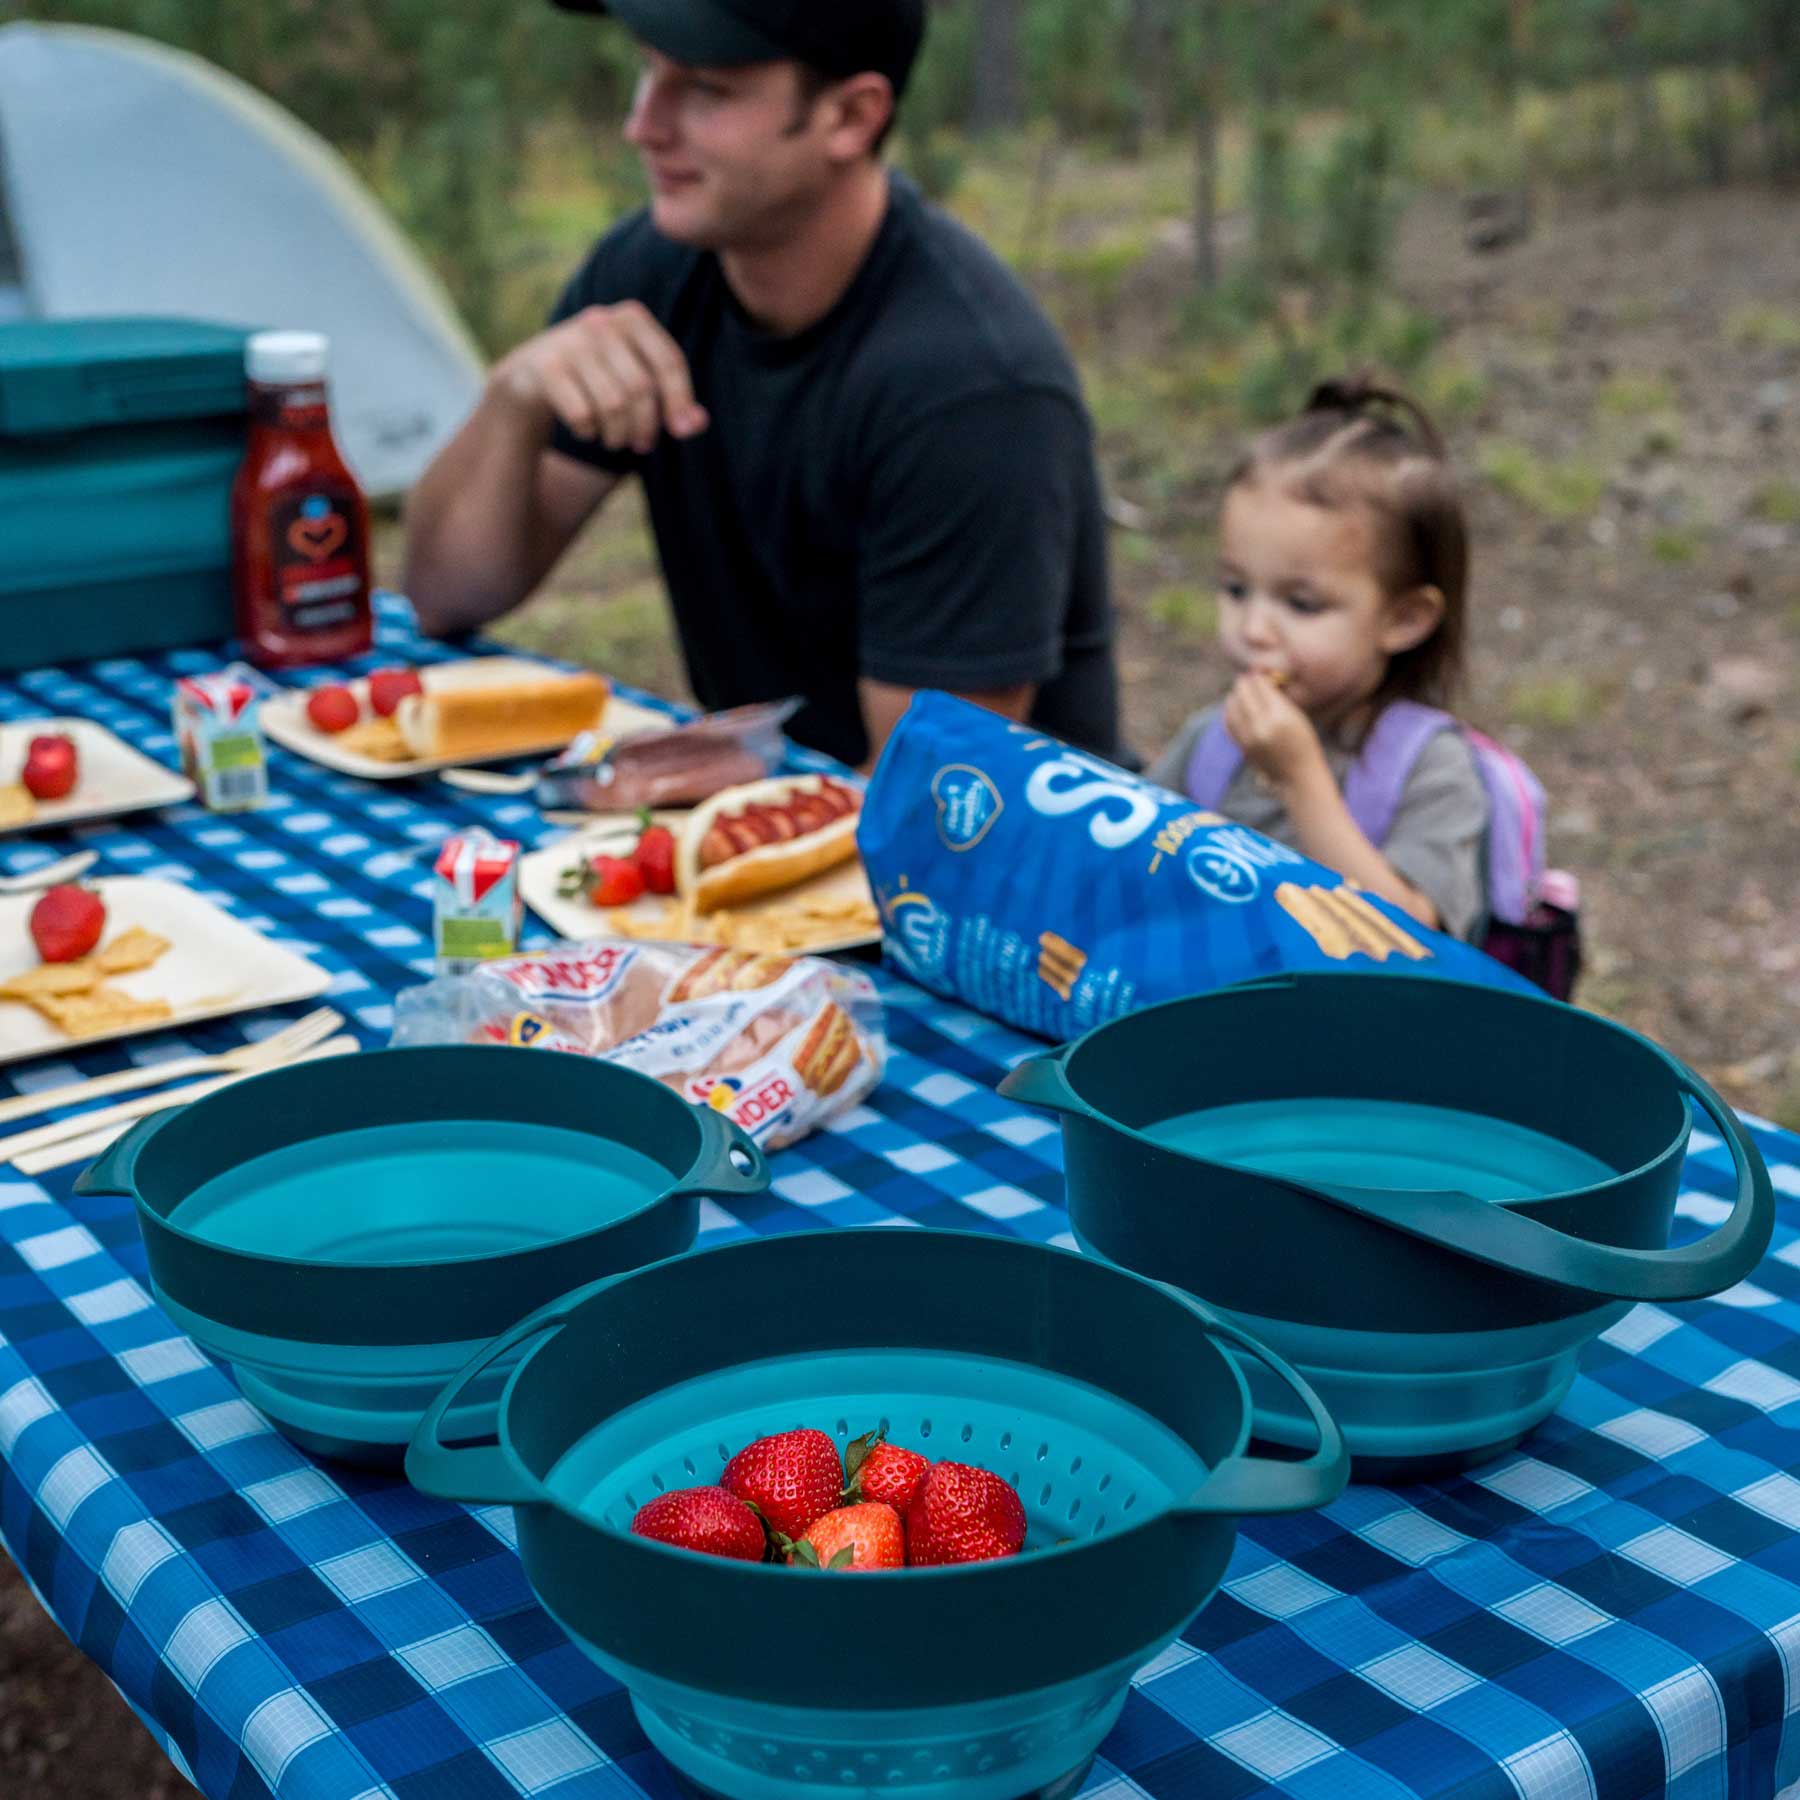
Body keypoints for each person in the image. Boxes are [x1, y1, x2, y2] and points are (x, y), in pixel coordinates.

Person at [404, 0, 1122, 772]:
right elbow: (447, 593)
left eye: (707, 89)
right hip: (783, 803)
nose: (643, 125)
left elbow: (935, 807)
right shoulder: (653, 273)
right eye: (649, 71)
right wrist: (514, 397)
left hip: (1004, 875)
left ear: (850, 116)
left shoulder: (968, 389)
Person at [1146, 376, 1491, 941]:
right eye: (1235, 589)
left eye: (1300, 604)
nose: (1253, 630)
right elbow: (1130, 862)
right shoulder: (1213, 741)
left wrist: (1300, 779)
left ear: (1403, 620)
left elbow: (1406, 940)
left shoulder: (1435, 772)